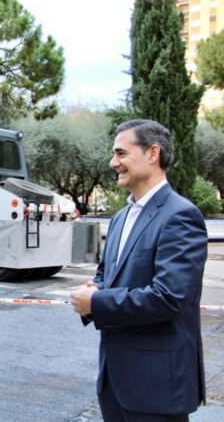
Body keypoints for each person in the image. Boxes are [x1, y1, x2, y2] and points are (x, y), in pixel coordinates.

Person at [71, 119, 208, 422]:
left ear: (152, 153)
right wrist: (95, 290)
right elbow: (107, 276)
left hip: (156, 387)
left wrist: (96, 302)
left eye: (121, 154)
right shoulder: (120, 218)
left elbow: (169, 297)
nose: (113, 163)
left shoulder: (181, 215)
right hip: (114, 383)